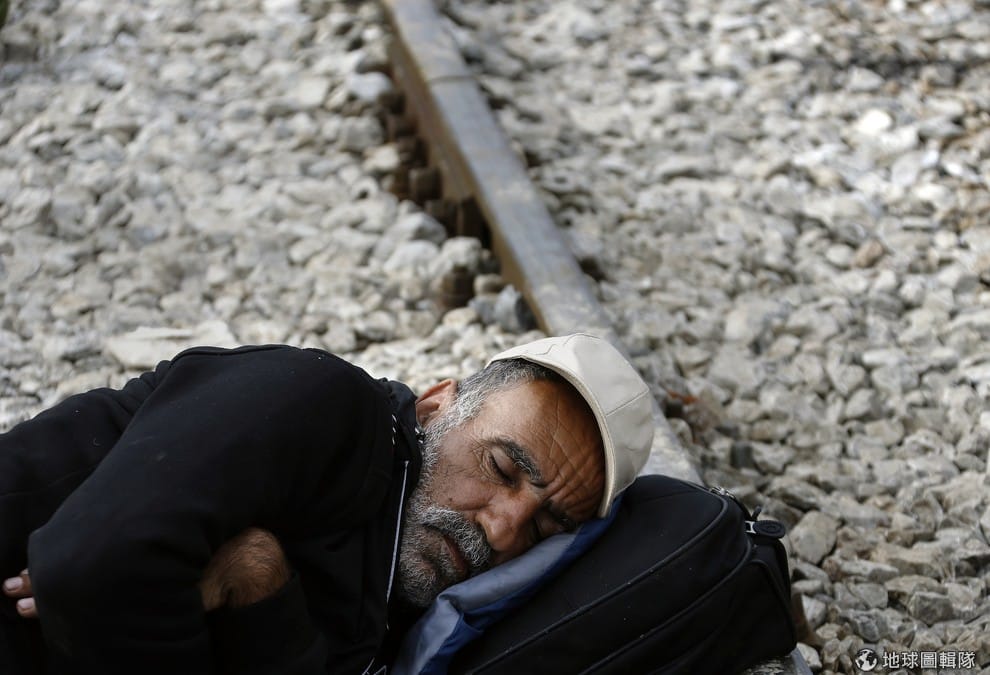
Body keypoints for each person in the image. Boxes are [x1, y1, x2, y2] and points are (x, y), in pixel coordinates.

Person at [0, 332, 653, 674]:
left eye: (545, 526)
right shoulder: (327, 408)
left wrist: (262, 586)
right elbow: (91, 568)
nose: (505, 529)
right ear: (436, 405)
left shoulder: (416, 599)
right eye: (502, 467)